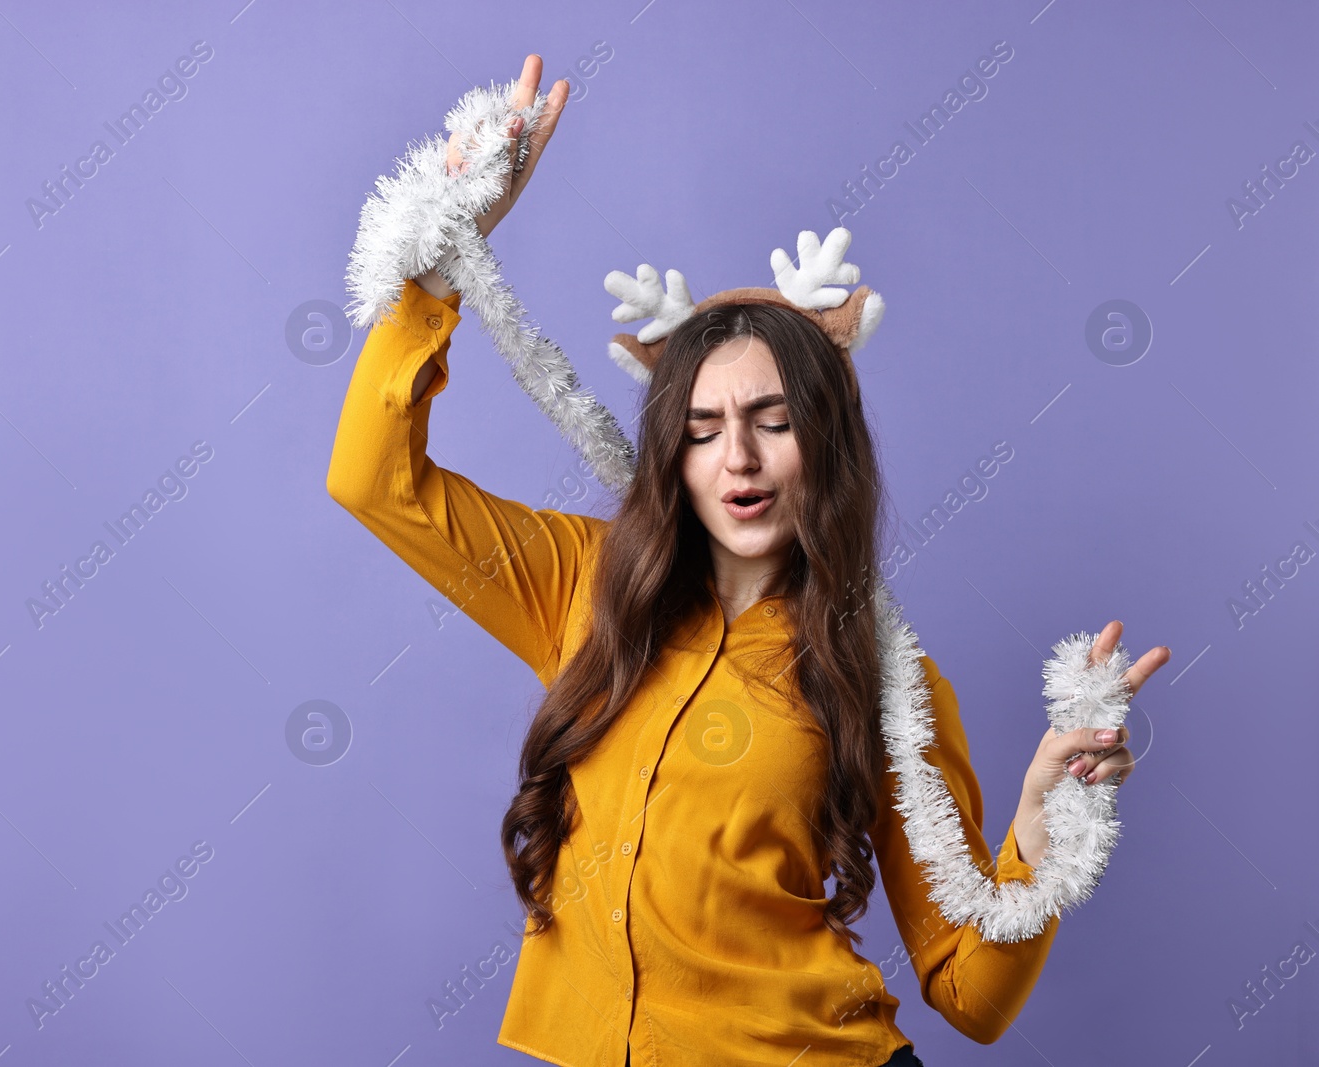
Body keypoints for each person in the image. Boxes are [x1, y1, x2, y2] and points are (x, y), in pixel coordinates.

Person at [327, 54, 1169, 1067]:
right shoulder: (578, 582)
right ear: (670, 453)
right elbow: (375, 479)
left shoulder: (889, 682)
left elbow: (967, 991)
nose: (738, 456)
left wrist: (1042, 828)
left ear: (824, 443)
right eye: (703, 426)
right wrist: (443, 253)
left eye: (773, 421)